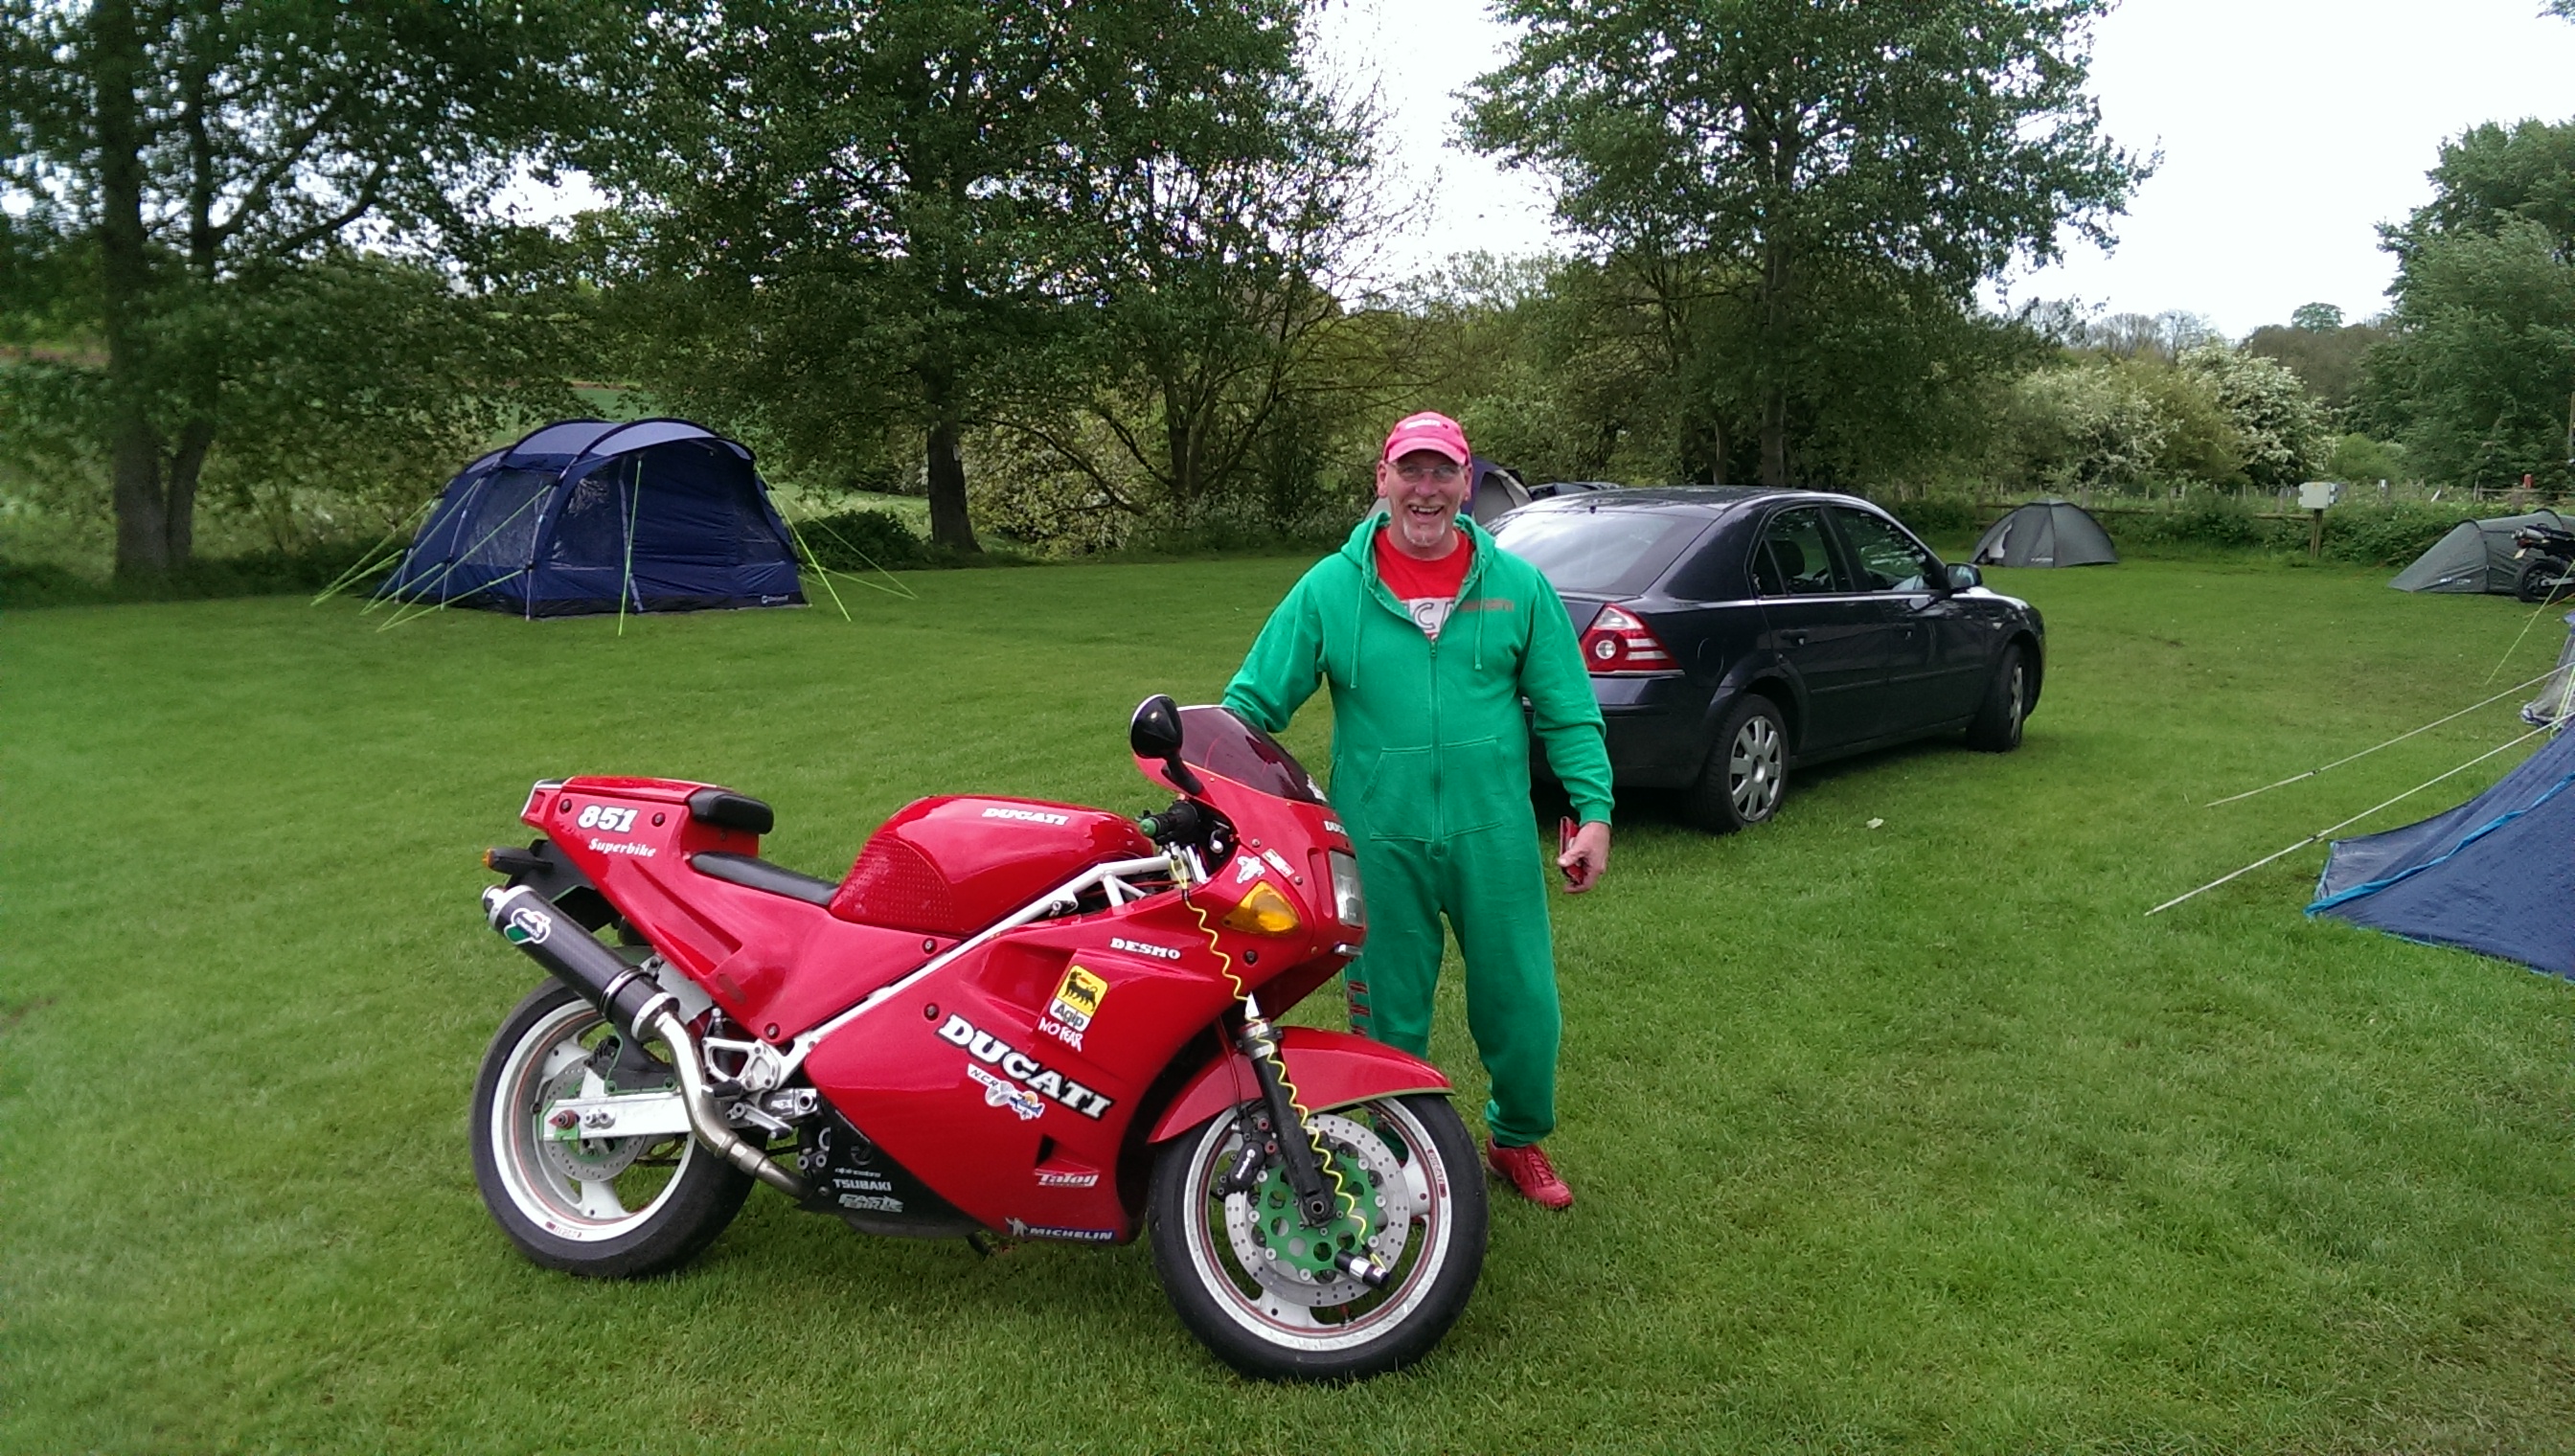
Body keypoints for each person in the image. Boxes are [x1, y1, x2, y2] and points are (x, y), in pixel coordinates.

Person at [1221, 410, 1613, 1210]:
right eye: (1411, 471)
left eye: (1442, 472)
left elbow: (1569, 710)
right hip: (1380, 840)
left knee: (1523, 1007)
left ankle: (1515, 1139)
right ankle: (1395, 1149)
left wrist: (1594, 811)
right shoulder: (1331, 588)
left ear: (1467, 484)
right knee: (1390, 1018)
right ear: (1384, 480)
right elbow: (1249, 707)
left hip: (1493, 835)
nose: (1426, 490)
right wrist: (1226, 799)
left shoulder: (1516, 586)